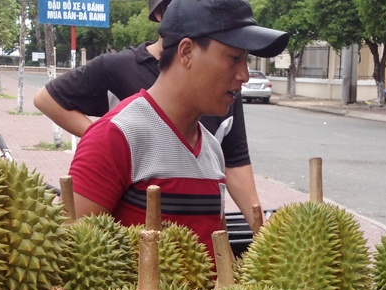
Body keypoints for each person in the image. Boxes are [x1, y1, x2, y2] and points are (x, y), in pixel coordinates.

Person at [62, 0, 288, 258]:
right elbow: (70, 258)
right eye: (234, 58)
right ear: (187, 52)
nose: (245, 75)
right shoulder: (116, 136)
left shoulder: (212, 150)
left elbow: (218, 262)